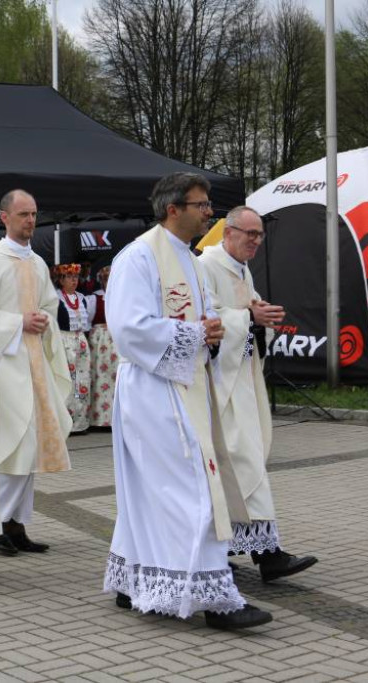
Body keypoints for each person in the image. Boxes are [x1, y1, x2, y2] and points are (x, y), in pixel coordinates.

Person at [104, 172, 272, 629]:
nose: (209, 212)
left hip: (187, 385)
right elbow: (128, 327)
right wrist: (198, 333)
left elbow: (206, 315)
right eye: (201, 205)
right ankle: (216, 598)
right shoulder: (138, 257)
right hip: (154, 389)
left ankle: (134, 580)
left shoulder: (191, 260)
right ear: (172, 209)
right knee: (194, 488)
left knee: (153, 492)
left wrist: (214, 328)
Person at [199, 206, 318, 582]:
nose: (255, 240)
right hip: (219, 385)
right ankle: (266, 555)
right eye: (249, 233)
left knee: (247, 462)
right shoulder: (207, 265)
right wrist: (249, 318)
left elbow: (241, 309)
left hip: (243, 377)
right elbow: (208, 318)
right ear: (227, 232)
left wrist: (255, 310)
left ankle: (241, 549)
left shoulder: (240, 267)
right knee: (238, 465)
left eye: (260, 235)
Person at [0, 189, 72, 556]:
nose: (30, 220)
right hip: (5, 365)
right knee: (11, 443)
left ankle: (16, 524)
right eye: (24, 214)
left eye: (34, 214)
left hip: (34, 363)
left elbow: (47, 303)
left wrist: (43, 319)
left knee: (30, 448)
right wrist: (17, 322)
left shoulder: (39, 263)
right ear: (4, 217)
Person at [54, 263, 92, 433]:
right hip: (64, 340)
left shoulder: (82, 298)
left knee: (82, 380)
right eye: (69, 277)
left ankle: (80, 422)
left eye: (76, 277)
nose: (74, 281)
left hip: (80, 340)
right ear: (61, 280)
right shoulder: (56, 299)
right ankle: (66, 423)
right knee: (68, 380)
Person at [86, 266, 116, 429]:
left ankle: (113, 417)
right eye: (105, 278)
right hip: (99, 341)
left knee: (114, 377)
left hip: (115, 341)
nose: (107, 281)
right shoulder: (94, 299)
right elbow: (88, 321)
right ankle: (98, 418)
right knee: (98, 377)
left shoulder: (120, 296)